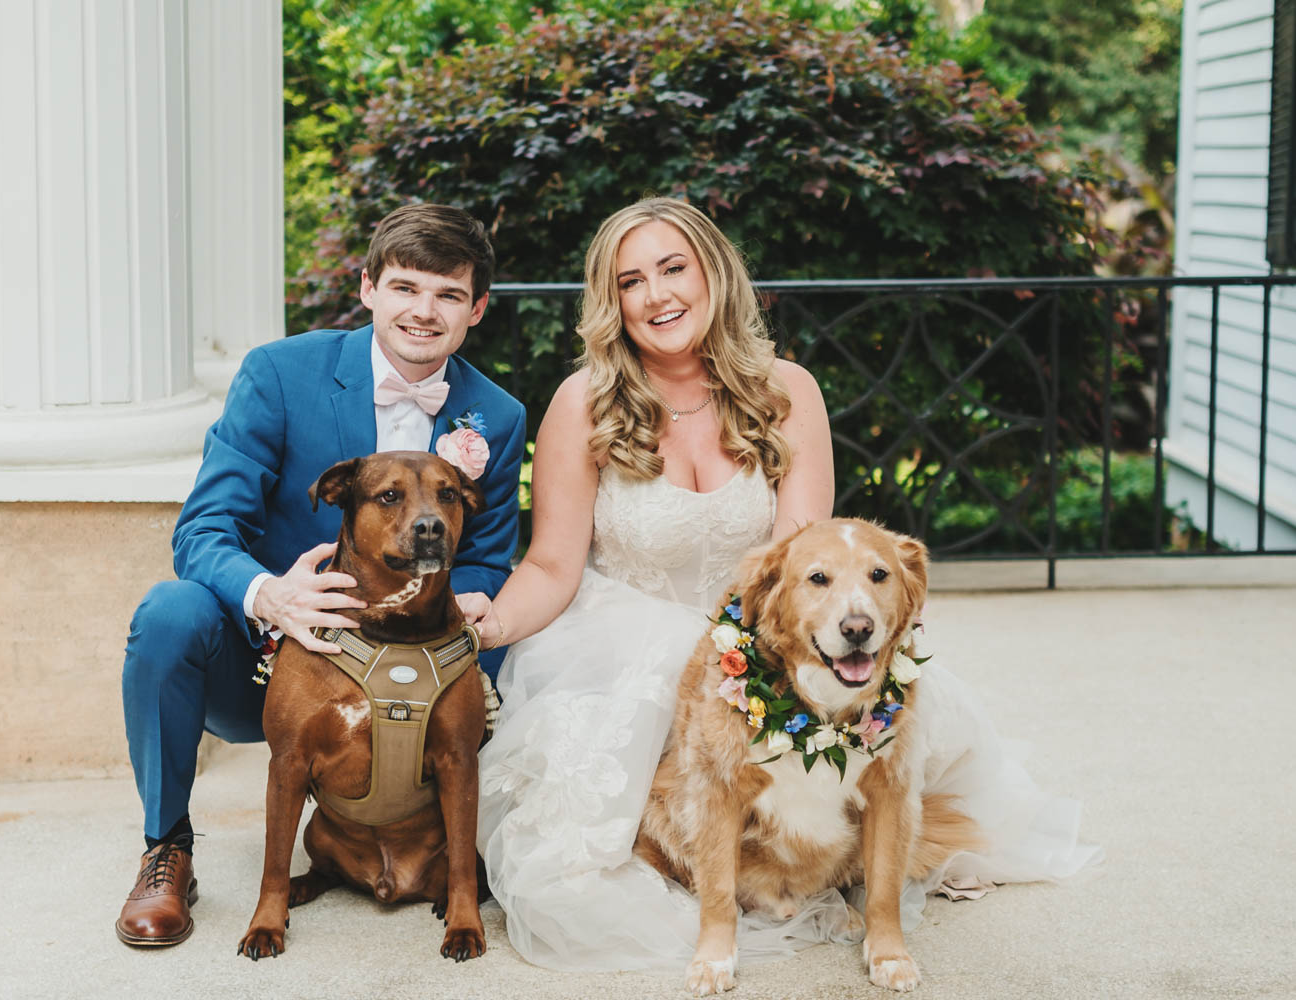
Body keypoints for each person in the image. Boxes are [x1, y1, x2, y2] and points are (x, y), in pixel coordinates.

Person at [464, 197, 1099, 972]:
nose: (657, 295)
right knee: (573, 865)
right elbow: (553, 568)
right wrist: (483, 625)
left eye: (673, 269)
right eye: (632, 281)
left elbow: (802, 560)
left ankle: (827, 861)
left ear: (713, 274)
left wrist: (762, 653)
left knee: (881, 750)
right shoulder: (583, 403)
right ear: (613, 301)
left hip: (768, 633)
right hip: (624, 641)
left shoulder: (787, 389)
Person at [115, 203, 526, 948]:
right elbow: (203, 529)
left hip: (417, 667)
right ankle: (167, 849)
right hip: (277, 669)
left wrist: (461, 616)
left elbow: (493, 554)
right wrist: (272, 594)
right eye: (405, 287)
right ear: (368, 287)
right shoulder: (279, 374)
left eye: (448, 294)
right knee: (170, 614)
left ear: (478, 308)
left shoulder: (496, 414)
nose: (424, 311)